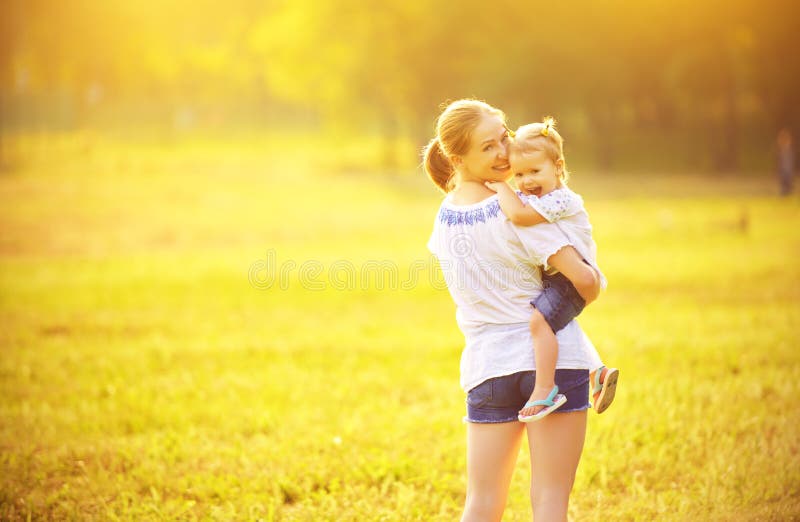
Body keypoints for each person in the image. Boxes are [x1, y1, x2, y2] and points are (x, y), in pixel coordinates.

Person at [424, 99, 603, 522]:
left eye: (503, 138)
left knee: (481, 505)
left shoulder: (443, 219)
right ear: (457, 157)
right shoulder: (522, 211)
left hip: (488, 368)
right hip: (554, 364)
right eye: (488, 147)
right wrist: (591, 282)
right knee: (550, 501)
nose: (505, 152)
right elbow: (585, 281)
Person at [484, 117, 618, 422]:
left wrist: (501, 187)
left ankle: (545, 389)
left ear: (558, 167)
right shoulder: (541, 196)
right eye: (519, 174)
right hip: (561, 276)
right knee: (559, 323)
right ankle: (597, 372)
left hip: (571, 278)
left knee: (539, 323)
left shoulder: (560, 199)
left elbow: (518, 215)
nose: (527, 181)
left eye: (535, 171)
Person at [777, 127, 795, 196]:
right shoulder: (782, 151)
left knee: (787, 181)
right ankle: (785, 192)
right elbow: (780, 161)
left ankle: (786, 192)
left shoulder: (788, 150)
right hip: (784, 169)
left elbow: (790, 161)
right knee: (784, 181)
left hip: (787, 169)